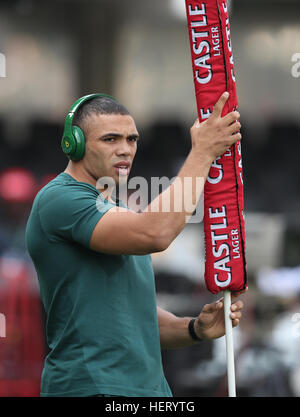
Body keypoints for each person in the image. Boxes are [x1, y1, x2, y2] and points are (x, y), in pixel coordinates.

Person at [25, 92, 246, 397]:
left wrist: (194, 328)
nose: (125, 149)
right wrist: (202, 153)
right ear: (72, 143)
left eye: (132, 139)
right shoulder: (59, 199)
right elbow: (156, 233)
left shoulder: (118, 211)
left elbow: (134, 318)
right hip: (91, 387)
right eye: (111, 139)